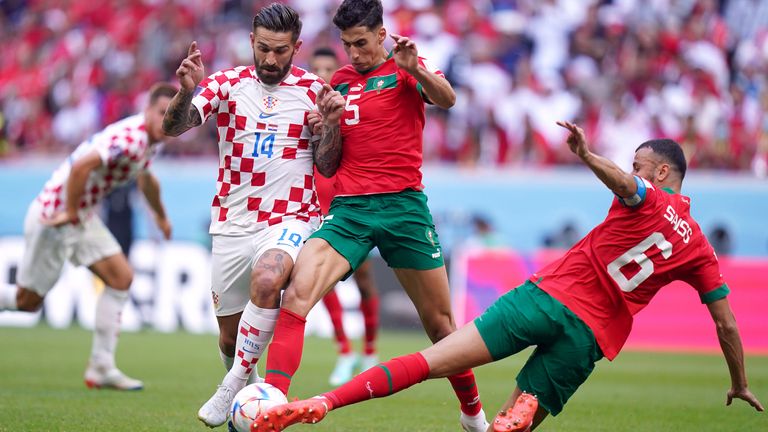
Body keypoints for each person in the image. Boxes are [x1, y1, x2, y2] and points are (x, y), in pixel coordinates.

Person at [251, 121, 765, 432]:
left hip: (543, 299)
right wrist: (739, 382)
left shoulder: (647, 196)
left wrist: (587, 155)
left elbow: (626, 185)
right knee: (512, 423)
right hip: (587, 338)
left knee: (432, 359)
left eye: (639, 164)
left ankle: (322, 401)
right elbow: (725, 325)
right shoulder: (699, 247)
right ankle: (510, 418)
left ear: (658, 173)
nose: (632, 170)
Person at [261, 1, 489, 431]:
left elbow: (449, 99)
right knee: (295, 296)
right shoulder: (342, 83)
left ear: (381, 35)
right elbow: (327, 165)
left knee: (441, 328)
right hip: (351, 210)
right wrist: (327, 125)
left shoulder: (407, 66)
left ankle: (473, 413)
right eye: (347, 45)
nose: (354, 54)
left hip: (404, 207)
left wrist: (416, 70)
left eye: (362, 43)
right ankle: (273, 402)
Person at [161, 3, 337, 428]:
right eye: (263, 49)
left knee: (269, 277)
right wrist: (186, 91)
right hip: (232, 222)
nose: (271, 59)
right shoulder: (226, 83)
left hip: (291, 218)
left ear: (296, 47)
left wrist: (329, 128)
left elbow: (328, 167)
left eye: (280, 50)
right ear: (251, 43)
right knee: (228, 335)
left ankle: (232, 385)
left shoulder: (316, 90)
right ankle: (248, 396)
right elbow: (172, 128)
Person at [0, 82, 177, 391]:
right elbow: (82, 166)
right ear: (147, 111)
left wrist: (160, 215)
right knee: (27, 301)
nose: (166, 120)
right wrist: (69, 211)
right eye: (162, 113)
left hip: (79, 216)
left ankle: (101, 367)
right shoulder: (132, 138)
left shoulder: (150, 140)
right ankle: (101, 366)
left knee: (121, 277)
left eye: (172, 114)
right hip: (55, 216)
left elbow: (147, 180)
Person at [309, 46, 381, 386]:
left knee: (364, 281)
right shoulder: (303, 112)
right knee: (322, 282)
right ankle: (344, 351)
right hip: (316, 208)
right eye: (316, 68)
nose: (322, 74)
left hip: (347, 206)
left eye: (328, 68)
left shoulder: (348, 108)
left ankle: (369, 351)